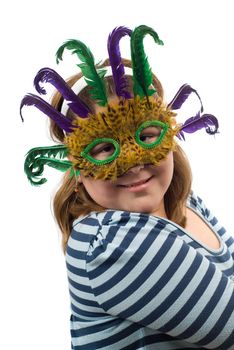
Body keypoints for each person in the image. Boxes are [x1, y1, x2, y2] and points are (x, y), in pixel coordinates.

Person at [21, 25, 234, 349]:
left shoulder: (190, 203)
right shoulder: (108, 242)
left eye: (146, 136)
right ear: (77, 167)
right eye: (104, 149)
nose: (133, 162)